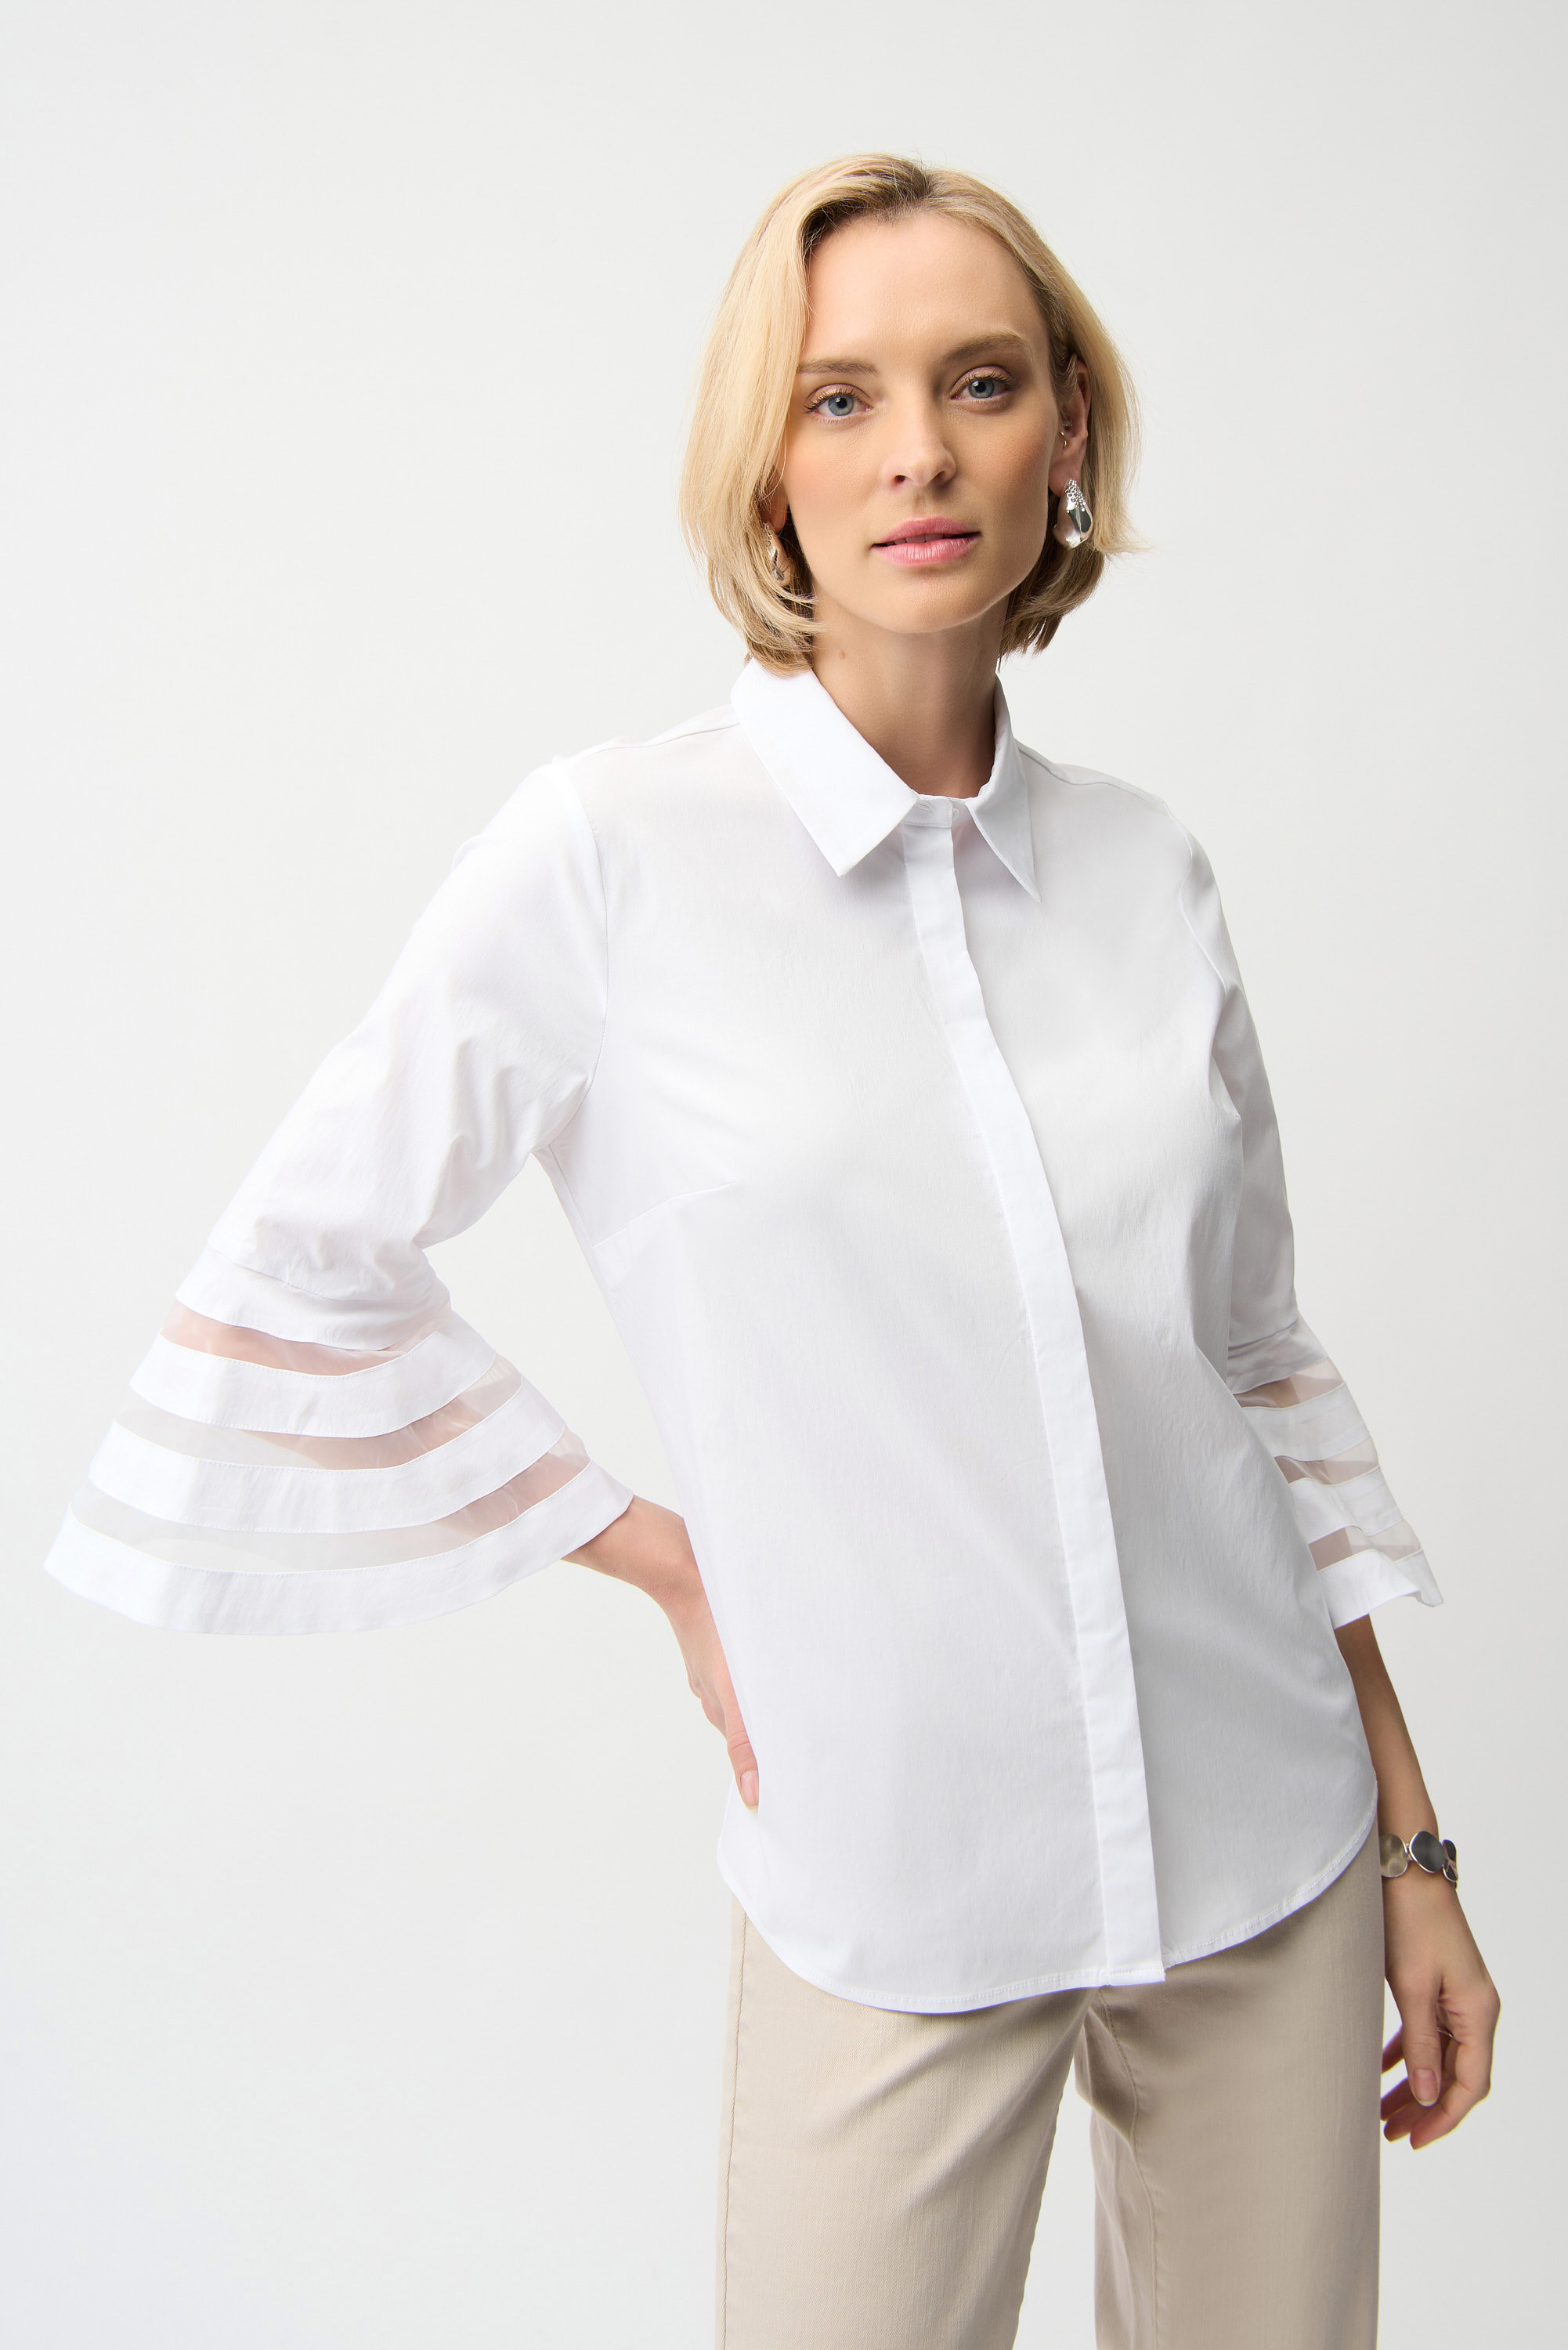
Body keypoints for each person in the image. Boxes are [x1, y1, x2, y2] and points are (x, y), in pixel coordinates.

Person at [44, 154, 1498, 2349]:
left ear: (1066, 433)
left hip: (1265, 1856)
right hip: (892, 1875)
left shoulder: (1147, 874)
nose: (918, 449)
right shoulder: (610, 857)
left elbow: (1252, 1361)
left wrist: (1412, 1847)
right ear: (766, 462)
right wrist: (662, 1558)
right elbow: (303, 1262)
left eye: (979, 382)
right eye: (841, 396)